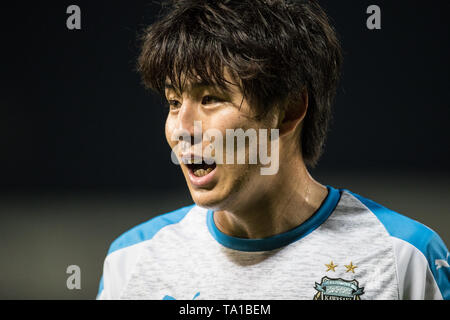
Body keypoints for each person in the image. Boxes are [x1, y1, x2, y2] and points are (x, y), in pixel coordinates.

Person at [97, 0, 449, 300]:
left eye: (210, 99)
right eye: (174, 102)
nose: (181, 129)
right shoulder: (131, 261)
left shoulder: (406, 258)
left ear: (290, 109)